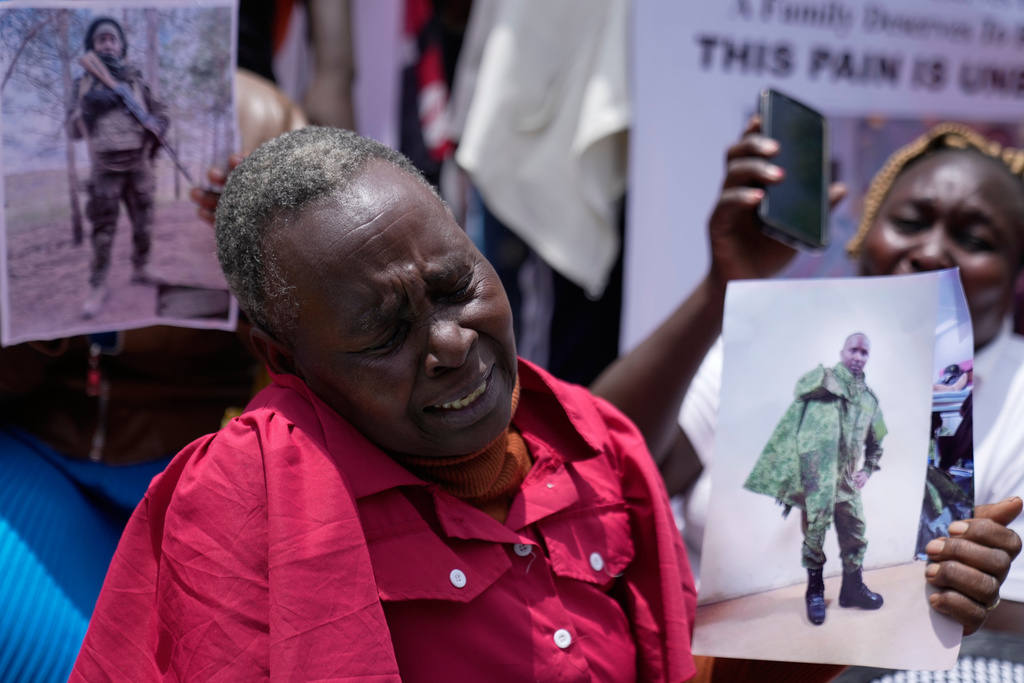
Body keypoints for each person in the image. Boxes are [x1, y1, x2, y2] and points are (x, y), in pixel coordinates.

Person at [74, 127, 1017, 683]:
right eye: (381, 330)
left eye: (455, 284)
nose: (448, 344)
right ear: (283, 359)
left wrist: (900, 600)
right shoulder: (240, 498)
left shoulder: (595, 443)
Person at [590, 121, 1024, 660]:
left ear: (1017, 273)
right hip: (705, 663)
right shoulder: (782, 340)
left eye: (976, 240)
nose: (933, 251)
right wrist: (720, 288)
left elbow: (1012, 624)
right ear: (866, 231)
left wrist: (963, 584)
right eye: (911, 222)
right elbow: (598, 459)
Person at [744, 333, 886, 625]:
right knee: (814, 535)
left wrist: (867, 470)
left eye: (864, 352)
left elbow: (877, 440)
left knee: (855, 534)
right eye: (854, 350)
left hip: (847, 481)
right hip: (817, 480)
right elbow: (795, 422)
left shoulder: (870, 400)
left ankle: (852, 589)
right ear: (842, 351)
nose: (858, 356)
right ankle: (815, 591)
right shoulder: (822, 383)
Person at [66, 17, 169, 319]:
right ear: (93, 47)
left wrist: (161, 124)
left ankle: (142, 267)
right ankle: (98, 286)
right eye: (102, 40)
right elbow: (72, 130)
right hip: (104, 167)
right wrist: (89, 106)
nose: (108, 44)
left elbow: (159, 110)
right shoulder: (83, 83)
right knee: (102, 231)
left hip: (139, 164)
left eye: (113, 39)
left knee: (145, 222)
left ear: (121, 45)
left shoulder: (136, 80)